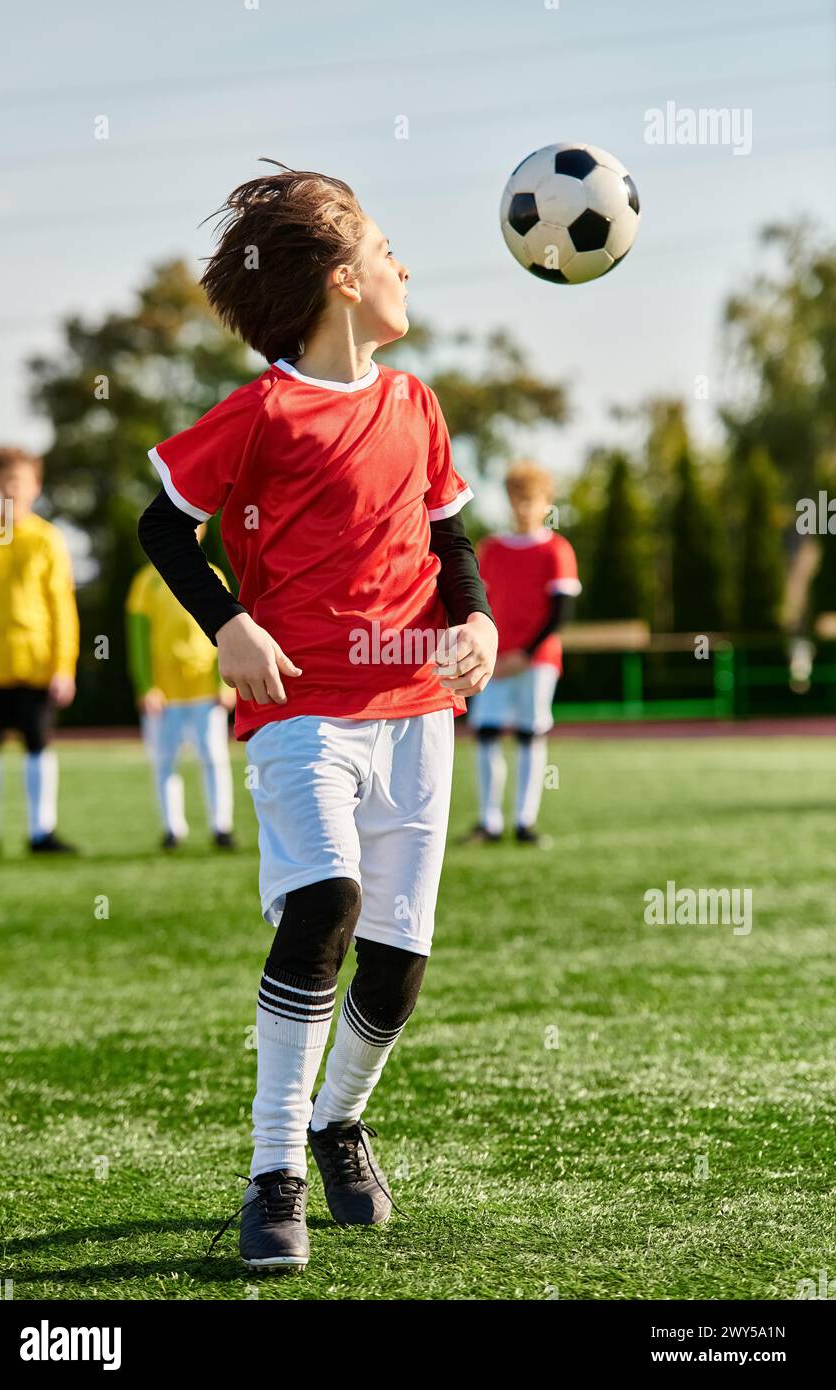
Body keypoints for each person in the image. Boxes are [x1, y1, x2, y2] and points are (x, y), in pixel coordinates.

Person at [137, 160, 497, 1272]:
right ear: (343, 281)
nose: (402, 266)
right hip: (300, 712)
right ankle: (270, 1170)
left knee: (395, 964)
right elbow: (163, 528)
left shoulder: (417, 403)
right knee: (324, 905)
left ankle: (340, 1120)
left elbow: (450, 542)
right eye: (386, 249)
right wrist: (226, 624)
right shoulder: (261, 413)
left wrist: (475, 621)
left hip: (417, 710)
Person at [0, 445, 79, 860]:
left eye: (23, 480)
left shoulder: (49, 539)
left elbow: (61, 607)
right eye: (7, 479)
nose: (14, 487)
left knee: (38, 745)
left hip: (36, 662)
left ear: (36, 485)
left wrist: (63, 666)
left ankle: (41, 832)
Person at [467, 460, 580, 845]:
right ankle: (489, 822)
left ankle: (524, 821)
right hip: (495, 662)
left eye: (530, 499)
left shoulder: (557, 549)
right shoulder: (491, 548)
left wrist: (525, 654)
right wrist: (490, 651)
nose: (522, 507)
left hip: (537, 661)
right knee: (485, 733)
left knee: (531, 734)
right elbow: (477, 602)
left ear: (547, 503)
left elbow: (561, 612)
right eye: (516, 498)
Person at [125, 524, 237, 850]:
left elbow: (227, 630)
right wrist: (146, 686)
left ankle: (222, 826)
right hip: (165, 694)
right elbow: (138, 639)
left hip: (205, 690)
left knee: (214, 758)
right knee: (165, 762)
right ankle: (173, 829)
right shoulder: (146, 583)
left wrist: (223, 683)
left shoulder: (214, 573)